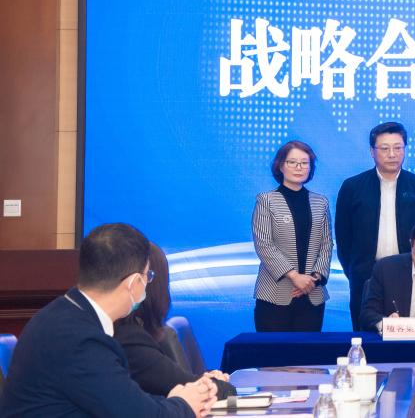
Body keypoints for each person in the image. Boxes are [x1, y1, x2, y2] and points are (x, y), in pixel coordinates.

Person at [0, 223, 215, 417]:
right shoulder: (79, 339)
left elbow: (125, 400)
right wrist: (184, 404)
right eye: (147, 276)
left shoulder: (64, 314)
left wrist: (176, 401)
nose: (147, 284)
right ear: (133, 283)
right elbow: (138, 414)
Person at [336, 122, 415, 329]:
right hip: (366, 277)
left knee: (411, 336)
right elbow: (344, 238)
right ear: (372, 151)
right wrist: (355, 271)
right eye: (384, 148)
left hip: (411, 275)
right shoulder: (352, 187)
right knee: (366, 334)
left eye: (398, 148)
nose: (392, 154)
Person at [114, 243, 235, 400]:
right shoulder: (131, 339)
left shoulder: (128, 331)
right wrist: (215, 382)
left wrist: (208, 380)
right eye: (147, 276)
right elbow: (200, 387)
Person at [252, 140, 333, 332]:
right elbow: (264, 245)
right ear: (280, 166)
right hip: (274, 295)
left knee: (308, 351)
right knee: (273, 351)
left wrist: (314, 279)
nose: (299, 167)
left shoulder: (320, 202)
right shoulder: (266, 200)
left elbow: (327, 244)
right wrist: (294, 276)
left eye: (304, 163)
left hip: (312, 295)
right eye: (292, 162)